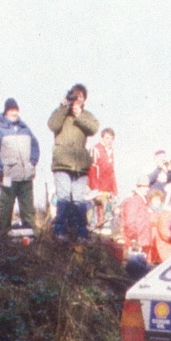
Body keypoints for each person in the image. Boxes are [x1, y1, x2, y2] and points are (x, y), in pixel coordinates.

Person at [46, 84, 100, 243]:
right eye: (75, 96)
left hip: (80, 165)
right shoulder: (61, 113)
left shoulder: (86, 115)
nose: (78, 99)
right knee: (63, 197)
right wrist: (63, 107)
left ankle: (82, 232)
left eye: (81, 97)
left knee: (79, 199)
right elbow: (52, 125)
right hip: (62, 163)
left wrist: (79, 116)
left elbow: (93, 128)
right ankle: (60, 231)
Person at [0, 98, 41, 236]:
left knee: (28, 209)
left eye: (16, 110)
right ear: (6, 112)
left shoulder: (25, 128)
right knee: (5, 208)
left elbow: (35, 146)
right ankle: (2, 237)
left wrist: (33, 162)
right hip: (8, 176)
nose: (14, 113)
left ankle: (31, 236)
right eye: (11, 110)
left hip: (26, 176)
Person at [117, 179, 154, 269]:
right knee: (135, 269)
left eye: (148, 186)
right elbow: (130, 222)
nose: (147, 189)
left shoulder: (143, 201)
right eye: (144, 186)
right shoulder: (133, 201)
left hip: (142, 241)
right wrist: (134, 239)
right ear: (138, 187)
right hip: (136, 242)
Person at [88, 127, 118, 231]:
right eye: (107, 138)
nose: (109, 141)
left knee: (108, 216)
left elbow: (111, 172)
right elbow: (92, 171)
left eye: (111, 139)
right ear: (102, 138)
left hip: (108, 190)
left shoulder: (111, 151)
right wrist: (95, 190)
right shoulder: (95, 149)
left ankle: (106, 238)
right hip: (99, 189)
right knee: (98, 215)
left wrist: (115, 190)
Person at [147, 186, 171, 266]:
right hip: (151, 236)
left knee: (161, 257)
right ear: (151, 200)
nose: (156, 201)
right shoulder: (148, 210)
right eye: (154, 199)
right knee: (151, 257)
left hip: (161, 237)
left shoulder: (164, 210)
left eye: (158, 199)